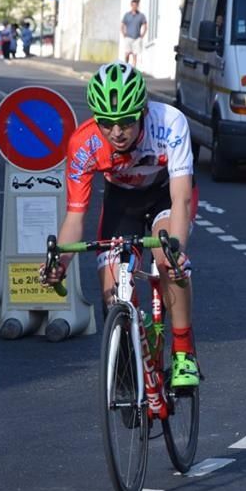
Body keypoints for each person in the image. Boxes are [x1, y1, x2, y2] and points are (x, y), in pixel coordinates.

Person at [40, 61, 200, 388]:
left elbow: (181, 196)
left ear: (142, 111)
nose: (117, 132)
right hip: (122, 200)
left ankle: (183, 352)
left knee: (166, 260)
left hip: (165, 197)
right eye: (107, 123)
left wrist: (177, 250)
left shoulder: (169, 123)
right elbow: (74, 217)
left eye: (126, 121)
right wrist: (63, 264)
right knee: (113, 289)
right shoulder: (84, 144)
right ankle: (128, 371)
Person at [120, 0, 147, 67]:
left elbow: (145, 25)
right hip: (128, 37)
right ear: (131, 5)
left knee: (135, 55)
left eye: (136, 5)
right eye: (133, 5)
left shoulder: (141, 16)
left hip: (137, 38)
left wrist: (142, 35)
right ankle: (125, 66)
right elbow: (122, 25)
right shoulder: (127, 15)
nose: (134, 6)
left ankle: (133, 69)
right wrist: (123, 34)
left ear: (137, 6)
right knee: (127, 54)